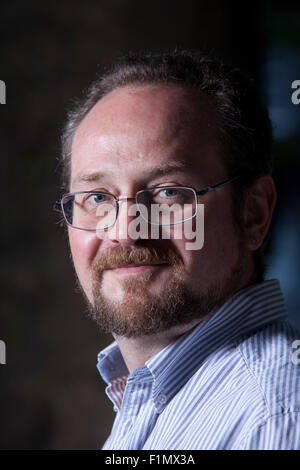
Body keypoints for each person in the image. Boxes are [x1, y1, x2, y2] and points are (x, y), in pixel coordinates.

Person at [57, 50, 300, 450]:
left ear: (253, 212)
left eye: (169, 192)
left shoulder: (272, 419)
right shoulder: (151, 399)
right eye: (98, 197)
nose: (125, 232)